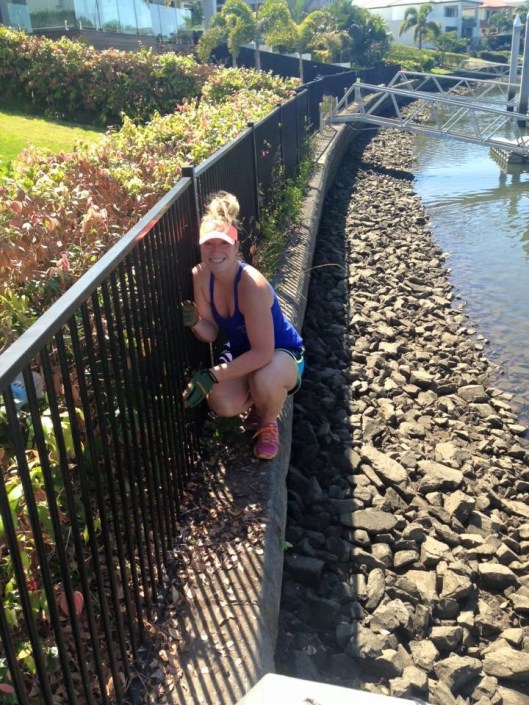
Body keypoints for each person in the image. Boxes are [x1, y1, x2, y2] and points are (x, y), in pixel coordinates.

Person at [181, 191, 304, 461]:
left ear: (236, 246)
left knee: (265, 378)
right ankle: (260, 398)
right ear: (200, 246)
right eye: (208, 244)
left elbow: (263, 352)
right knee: (221, 401)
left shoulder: (251, 285)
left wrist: (212, 374)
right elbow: (211, 333)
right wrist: (196, 322)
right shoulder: (200, 275)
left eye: (223, 243)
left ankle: (268, 421)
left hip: (280, 353)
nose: (215, 251)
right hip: (242, 352)